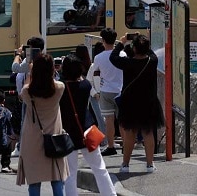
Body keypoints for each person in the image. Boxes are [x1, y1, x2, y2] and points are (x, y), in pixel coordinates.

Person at [59, 55, 115, 195]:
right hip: (87, 131)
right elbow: (83, 80)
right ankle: (110, 194)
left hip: (67, 134)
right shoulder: (85, 86)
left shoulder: (60, 88)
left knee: (70, 173)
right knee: (100, 168)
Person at [16, 53, 69, 196]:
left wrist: (30, 73)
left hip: (32, 138)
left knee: (34, 181)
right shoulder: (59, 88)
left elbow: (24, 89)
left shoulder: (28, 91)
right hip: (54, 137)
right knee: (57, 179)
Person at [109, 33, 162, 174]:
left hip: (130, 102)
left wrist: (121, 42)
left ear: (134, 48)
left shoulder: (128, 63)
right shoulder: (152, 61)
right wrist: (143, 41)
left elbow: (113, 57)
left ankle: (125, 164)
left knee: (130, 133)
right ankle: (150, 165)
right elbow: (149, 52)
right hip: (148, 102)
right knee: (148, 132)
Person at [90, 28, 124, 156]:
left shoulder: (98, 57)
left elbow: (95, 72)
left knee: (109, 120)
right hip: (121, 90)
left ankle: (111, 146)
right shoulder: (123, 54)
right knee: (122, 121)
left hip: (106, 91)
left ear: (103, 40)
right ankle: (126, 145)